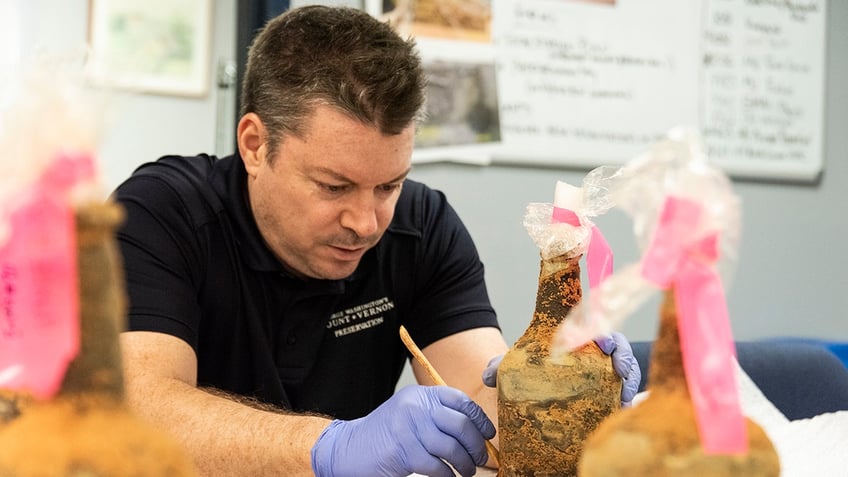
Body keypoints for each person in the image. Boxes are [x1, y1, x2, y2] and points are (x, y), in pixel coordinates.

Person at [112, 5, 640, 477]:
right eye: (333, 186)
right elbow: (139, 409)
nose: (366, 223)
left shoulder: (422, 225)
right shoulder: (160, 214)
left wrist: (553, 399)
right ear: (255, 145)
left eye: (388, 185)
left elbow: (480, 400)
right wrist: (330, 447)